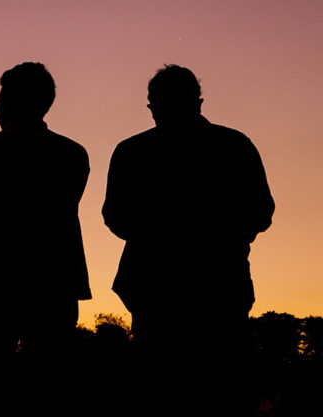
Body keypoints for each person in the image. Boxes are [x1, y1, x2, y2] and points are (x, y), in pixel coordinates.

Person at [102, 65, 274, 416]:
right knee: (222, 394)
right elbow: (261, 212)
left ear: (153, 106)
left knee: (160, 395)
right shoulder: (235, 146)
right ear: (199, 101)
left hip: (156, 291)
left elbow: (115, 217)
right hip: (220, 288)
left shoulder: (131, 152)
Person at [0, 62, 91, 416]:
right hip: (55, 281)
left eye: (2, 96)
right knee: (47, 387)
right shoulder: (73, 154)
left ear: (11, 101)